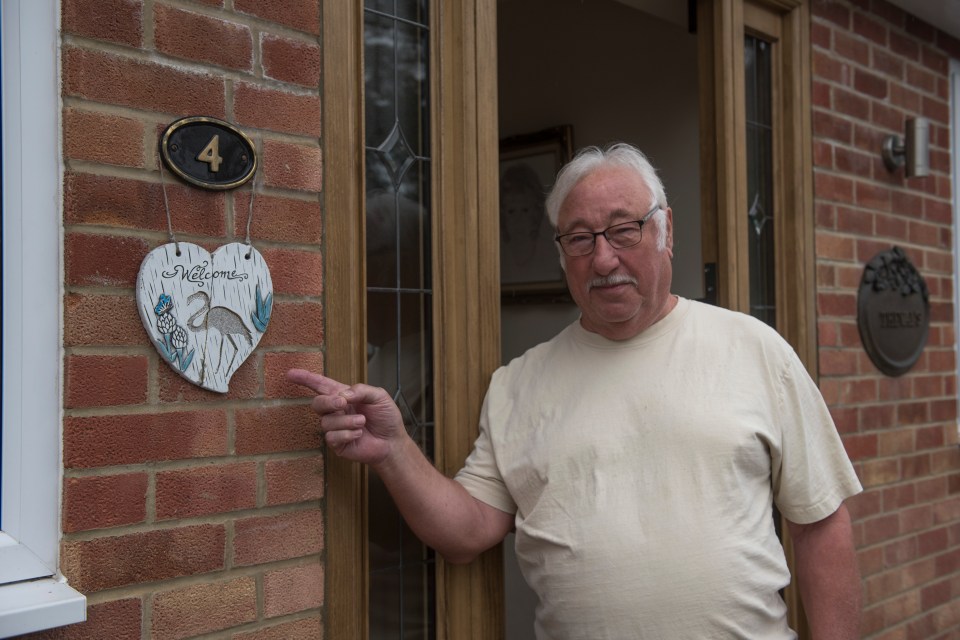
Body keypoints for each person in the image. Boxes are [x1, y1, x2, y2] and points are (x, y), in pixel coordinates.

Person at [288, 143, 863, 639]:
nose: (604, 257)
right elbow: (466, 534)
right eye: (581, 239)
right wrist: (393, 449)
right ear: (562, 254)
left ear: (667, 232)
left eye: (623, 229)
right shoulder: (520, 383)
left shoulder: (753, 350)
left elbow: (820, 522)